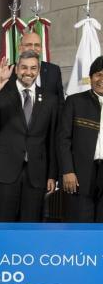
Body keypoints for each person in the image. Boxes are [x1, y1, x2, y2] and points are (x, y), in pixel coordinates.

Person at [0, 50, 58, 222]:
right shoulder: (2, 91)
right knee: (5, 224)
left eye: (33, 68)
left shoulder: (50, 99)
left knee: (31, 226)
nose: (28, 72)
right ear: (16, 69)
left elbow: (52, 139)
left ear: (38, 69)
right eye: (24, 67)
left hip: (36, 174)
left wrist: (52, 174)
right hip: (5, 171)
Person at [58, 56, 103, 222]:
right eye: (98, 74)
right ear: (90, 77)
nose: (101, 79)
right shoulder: (74, 102)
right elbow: (63, 139)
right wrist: (67, 170)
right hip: (79, 175)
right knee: (79, 225)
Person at [17, 31, 64, 104]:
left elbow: (60, 103)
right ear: (20, 48)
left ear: (41, 48)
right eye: (28, 45)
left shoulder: (53, 70)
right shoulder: (8, 72)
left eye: (37, 45)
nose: (33, 48)